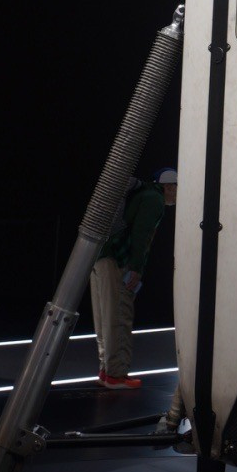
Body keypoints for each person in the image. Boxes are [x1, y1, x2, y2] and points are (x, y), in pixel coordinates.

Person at [89, 166, 176, 391]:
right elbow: (141, 235)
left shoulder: (141, 193)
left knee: (105, 317)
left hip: (99, 256)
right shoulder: (154, 199)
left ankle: (106, 370)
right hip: (118, 260)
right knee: (119, 315)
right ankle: (116, 375)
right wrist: (136, 268)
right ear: (168, 186)